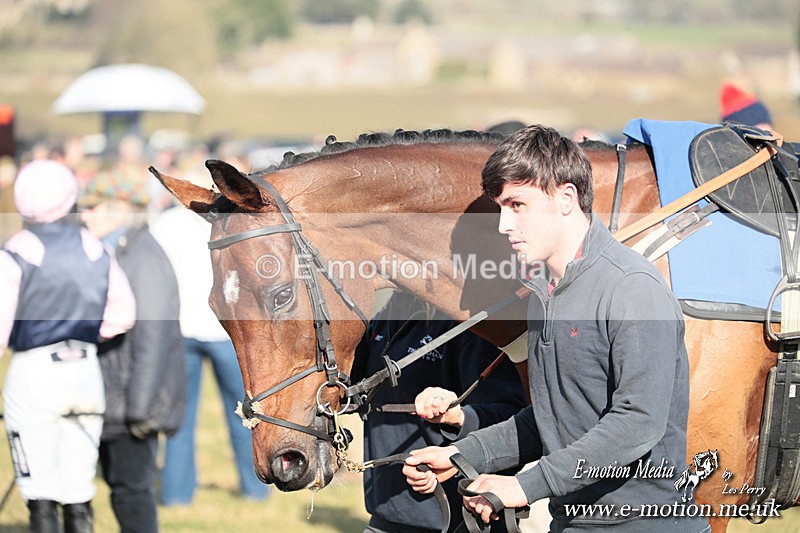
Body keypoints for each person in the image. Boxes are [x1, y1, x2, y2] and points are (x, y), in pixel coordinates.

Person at [403, 125, 710, 532]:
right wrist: (462, 454)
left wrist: (524, 486)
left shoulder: (632, 288)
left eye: (517, 205)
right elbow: (549, 420)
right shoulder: (544, 295)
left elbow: (637, 423)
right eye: (501, 208)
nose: (503, 225)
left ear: (567, 198)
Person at [1, 160, 135, 533]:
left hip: (34, 371)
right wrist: (85, 330)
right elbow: (124, 314)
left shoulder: (17, 249)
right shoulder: (94, 247)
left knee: (37, 487)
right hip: (84, 369)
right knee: (78, 485)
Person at [352, 290, 526, 533]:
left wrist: (456, 416)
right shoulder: (395, 307)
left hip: (460, 522)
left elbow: (516, 419)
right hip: (384, 519)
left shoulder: (472, 319)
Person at [80, 170, 186, 533]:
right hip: (116, 399)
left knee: (132, 492)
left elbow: (152, 337)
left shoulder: (142, 258)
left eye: (93, 207)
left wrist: (139, 409)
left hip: (131, 406)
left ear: (121, 211)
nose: (85, 215)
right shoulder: (118, 250)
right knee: (118, 487)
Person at [151, 201, 269, 505]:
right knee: (244, 414)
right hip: (225, 330)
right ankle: (255, 490)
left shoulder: (163, 224)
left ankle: (177, 494)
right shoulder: (234, 220)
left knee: (180, 417)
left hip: (180, 328)